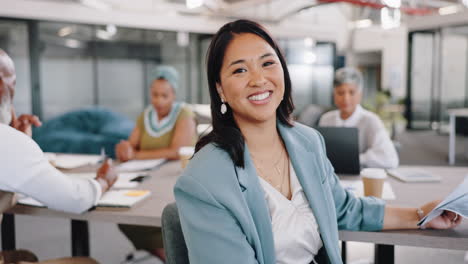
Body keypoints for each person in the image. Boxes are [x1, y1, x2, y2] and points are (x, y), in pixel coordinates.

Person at [173, 20, 462, 264]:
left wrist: (422, 214)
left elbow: (344, 209)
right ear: (220, 89)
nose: (259, 79)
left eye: (268, 63)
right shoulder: (203, 180)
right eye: (240, 70)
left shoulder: (306, 142)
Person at [0, 49, 117, 263]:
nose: (14, 91)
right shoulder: (5, 141)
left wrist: (19, 141)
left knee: (25, 256)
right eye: (13, 83)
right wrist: (103, 181)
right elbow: (75, 198)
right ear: (0, 86)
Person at [116, 66, 196, 261]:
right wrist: (125, 149)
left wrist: (136, 155)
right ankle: (169, 254)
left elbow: (177, 151)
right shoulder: (146, 115)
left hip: (175, 179)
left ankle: (174, 255)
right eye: (154, 95)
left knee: (165, 213)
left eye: (164, 96)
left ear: (174, 94)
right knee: (126, 214)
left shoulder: (184, 114)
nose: (159, 101)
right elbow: (131, 145)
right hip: (148, 178)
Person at [319, 67, 399, 169]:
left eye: (351, 92)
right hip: (331, 178)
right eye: (340, 93)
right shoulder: (326, 119)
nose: (345, 98)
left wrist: (354, 159)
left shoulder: (371, 120)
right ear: (334, 95)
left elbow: (390, 159)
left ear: (360, 95)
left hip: (361, 179)